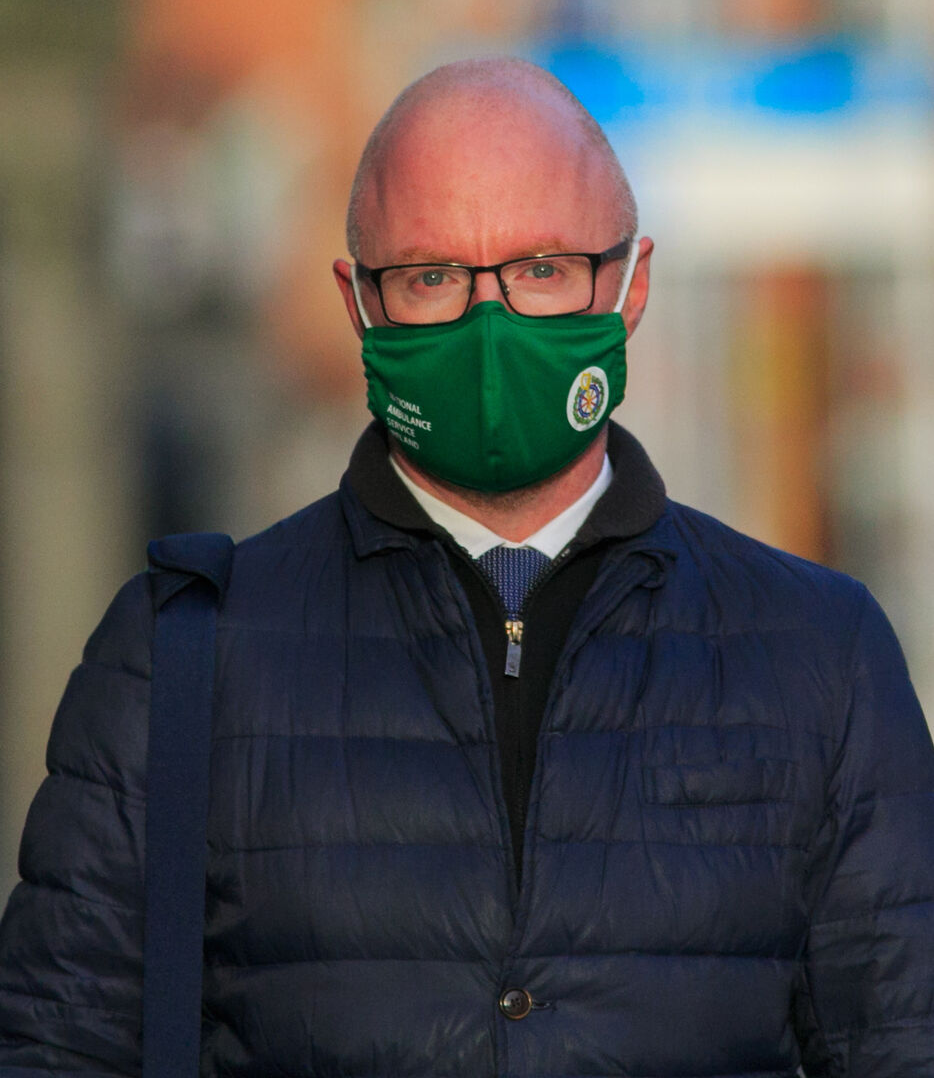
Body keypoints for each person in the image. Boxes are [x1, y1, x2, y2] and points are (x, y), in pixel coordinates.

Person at [0, 57, 932, 1076]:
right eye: (432, 277)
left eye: (541, 268)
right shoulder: (183, 659)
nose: (491, 327)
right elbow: (57, 1041)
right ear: (359, 303)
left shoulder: (818, 657)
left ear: (630, 286)